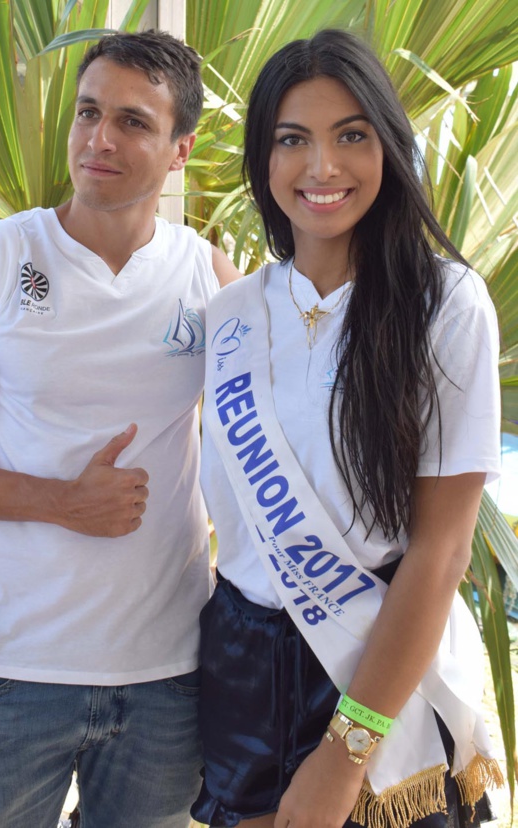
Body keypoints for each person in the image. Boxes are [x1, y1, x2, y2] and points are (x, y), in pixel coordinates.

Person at [0, 29, 239, 828]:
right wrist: (61, 501)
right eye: (87, 113)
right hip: (11, 669)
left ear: (181, 149)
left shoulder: (208, 278)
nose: (98, 139)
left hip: (166, 673)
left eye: (133, 122)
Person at [192, 29, 502, 828]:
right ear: (264, 160)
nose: (321, 168)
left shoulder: (443, 304)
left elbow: (440, 551)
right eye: (292, 139)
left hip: (377, 656)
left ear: (388, 150)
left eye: (351, 136)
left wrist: (343, 755)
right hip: (239, 658)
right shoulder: (229, 316)